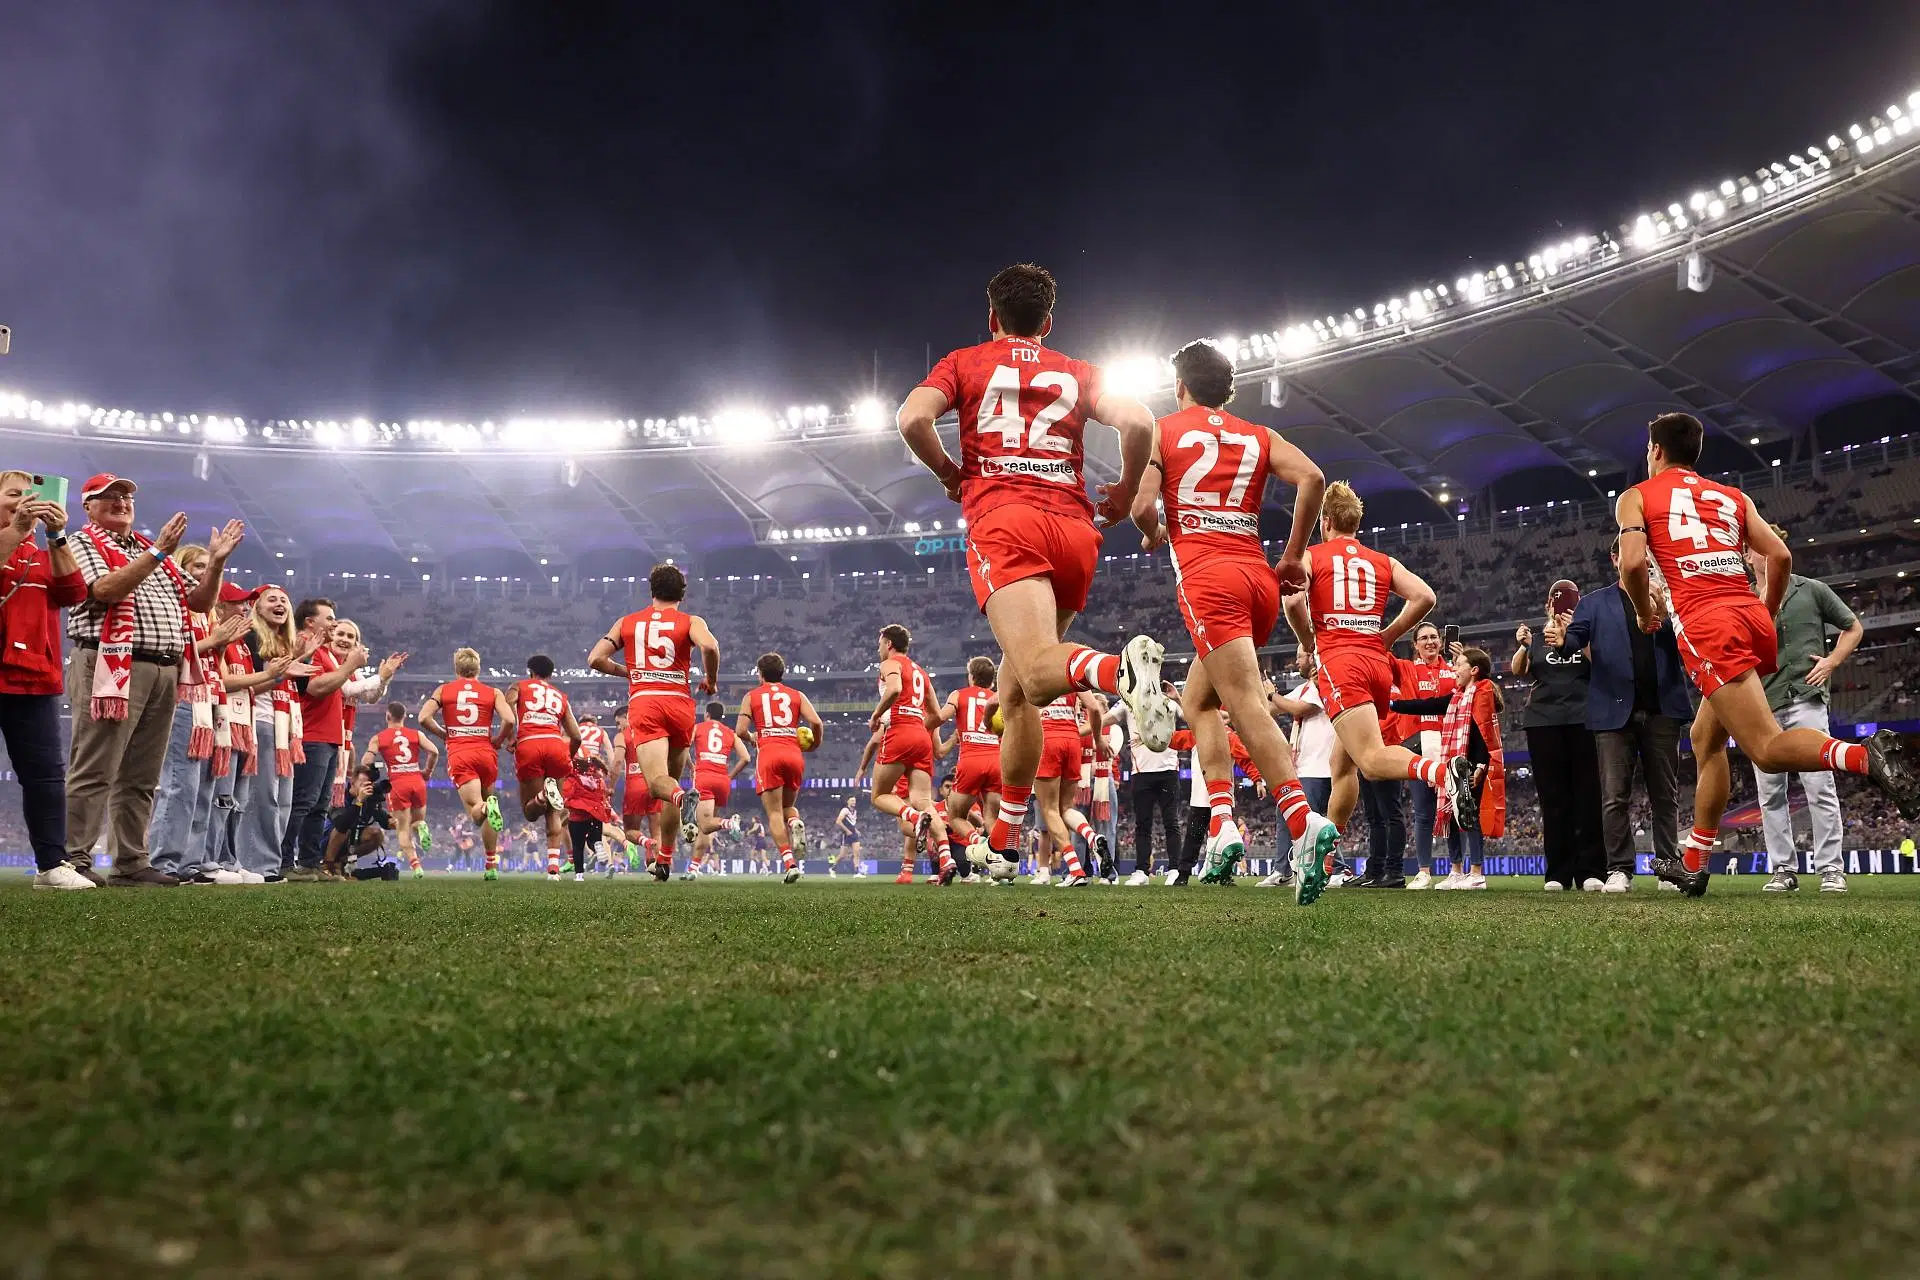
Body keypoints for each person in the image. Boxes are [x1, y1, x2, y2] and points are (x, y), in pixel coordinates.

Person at [896, 262, 1177, 875]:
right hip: (1074, 529)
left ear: (992, 318)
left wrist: (951, 474)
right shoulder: (1076, 370)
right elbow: (1137, 421)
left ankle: (1116, 669)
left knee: (1043, 677)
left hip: (1006, 519)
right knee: (1017, 687)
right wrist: (1128, 491)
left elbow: (911, 419)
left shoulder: (965, 361)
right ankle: (1003, 838)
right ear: (1048, 322)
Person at [1615, 412, 1918, 896]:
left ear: (1654, 451)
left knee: (1767, 750)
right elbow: (1780, 557)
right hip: (1748, 613)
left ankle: (1865, 756)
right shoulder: (1733, 496)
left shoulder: (1636, 496)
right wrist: (1766, 612)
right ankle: (1694, 861)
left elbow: (1632, 562)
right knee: (1704, 739)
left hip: (1705, 621)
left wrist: (1642, 613)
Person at [1130, 338, 1336, 904]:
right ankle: (1222, 827)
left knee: (1245, 703)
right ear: (1229, 390)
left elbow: (1142, 507)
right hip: (1258, 580)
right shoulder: (1258, 435)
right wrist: (1293, 556)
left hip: (1209, 578)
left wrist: (1153, 532)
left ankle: (1303, 825)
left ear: (1180, 386)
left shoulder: (1163, 431)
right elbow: (1314, 478)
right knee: (1199, 701)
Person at [64, 472, 245, 886]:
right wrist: (161, 551)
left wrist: (215, 563)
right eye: (107, 497)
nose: (121, 501)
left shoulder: (147, 550)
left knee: (142, 774)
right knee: (96, 765)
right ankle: (74, 858)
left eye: (126, 496)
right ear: (88, 506)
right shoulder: (81, 543)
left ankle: (131, 861)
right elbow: (105, 589)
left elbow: (198, 601)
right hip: (111, 663)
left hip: (165, 668)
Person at [1284, 482, 1473, 864]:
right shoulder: (1381, 560)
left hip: (1341, 662)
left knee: (1370, 759)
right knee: (1343, 763)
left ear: (1327, 522)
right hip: (1375, 662)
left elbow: (1292, 601)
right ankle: (1321, 858)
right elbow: (1426, 596)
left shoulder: (1313, 555)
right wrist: (1388, 634)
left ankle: (1442, 774)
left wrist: (1310, 640)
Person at [1548, 536, 1696, 893]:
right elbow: (1575, 638)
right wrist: (1563, 636)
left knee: (1666, 793)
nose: (1640, 560)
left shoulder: (1673, 597)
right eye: (1632, 554)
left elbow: (1689, 643)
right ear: (1616, 558)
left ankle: (1669, 866)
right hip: (1613, 710)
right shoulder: (1593, 603)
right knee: (1615, 795)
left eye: (1647, 555)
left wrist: (1667, 614)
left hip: (1662, 708)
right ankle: (1619, 868)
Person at [1746, 528, 1863, 894]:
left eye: (1766, 546)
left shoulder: (1811, 589)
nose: (1759, 553)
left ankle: (1831, 869)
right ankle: (1783, 869)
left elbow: (1853, 627)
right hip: (1761, 706)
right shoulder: (1743, 599)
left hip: (1805, 697)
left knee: (1819, 785)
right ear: (1748, 557)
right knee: (1770, 793)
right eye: (1754, 548)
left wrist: (1831, 662)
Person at [589, 563, 720, 876]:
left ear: (651, 591)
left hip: (646, 703)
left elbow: (595, 658)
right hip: (680, 705)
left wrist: (627, 672)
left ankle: (680, 797)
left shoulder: (628, 622)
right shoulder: (691, 620)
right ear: (682, 595)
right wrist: (711, 681)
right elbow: (711, 646)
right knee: (671, 781)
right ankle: (664, 860)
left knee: (660, 786)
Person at [0, 471, 89, 889]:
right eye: (13, 495)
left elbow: (74, 594)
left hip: (32, 677)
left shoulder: (41, 553)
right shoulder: (14, 540)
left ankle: (52, 865)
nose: (23, 502)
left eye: (29, 496)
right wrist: (15, 531)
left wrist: (56, 535)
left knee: (45, 775)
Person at [147, 543, 252, 883]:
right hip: (181, 698)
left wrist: (218, 642)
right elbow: (167, 651)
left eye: (209, 568)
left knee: (204, 787)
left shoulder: (206, 615)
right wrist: (213, 641)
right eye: (198, 567)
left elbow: (215, 668)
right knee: (181, 783)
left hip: (208, 701)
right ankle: (165, 861)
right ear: (181, 568)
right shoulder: (174, 604)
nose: (204, 574)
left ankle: (190, 861)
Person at [1512, 586, 1606, 891]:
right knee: (1553, 800)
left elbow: (1601, 666)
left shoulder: (1586, 636)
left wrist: (1575, 634)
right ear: (1546, 606)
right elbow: (1518, 670)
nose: (1558, 605)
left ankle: (1591, 870)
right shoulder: (1536, 640)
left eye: (1567, 601)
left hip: (1583, 719)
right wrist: (1524, 645)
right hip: (1543, 722)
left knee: (1587, 796)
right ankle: (1558, 873)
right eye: (1554, 599)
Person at [1393, 646, 1507, 890]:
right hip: (1455, 765)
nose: (1454, 669)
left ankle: (1476, 872)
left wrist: (1480, 765)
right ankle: (1456, 870)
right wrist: (1393, 705)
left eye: (1460, 664)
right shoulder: (1458, 697)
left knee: (1470, 815)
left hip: (1472, 767)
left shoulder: (1482, 693)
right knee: (1454, 815)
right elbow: (1428, 705)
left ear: (1474, 670)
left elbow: (1484, 735)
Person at [280, 598, 364, 878]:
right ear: (310, 622)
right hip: (312, 735)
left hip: (330, 738)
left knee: (319, 806)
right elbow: (315, 688)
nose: (335, 623)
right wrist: (348, 667)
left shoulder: (327, 655)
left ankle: (308, 861)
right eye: (329, 618)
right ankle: (284, 860)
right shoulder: (312, 651)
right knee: (303, 801)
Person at [867, 624, 955, 883]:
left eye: (880, 643)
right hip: (921, 736)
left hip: (899, 731)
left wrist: (875, 714)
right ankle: (947, 858)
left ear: (889, 644)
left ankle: (914, 817)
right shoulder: (921, 672)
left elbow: (893, 689)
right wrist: (918, 730)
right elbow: (937, 716)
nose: (878, 648)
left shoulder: (890, 664)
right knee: (926, 801)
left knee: (879, 795)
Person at [419, 647, 516, 880]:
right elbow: (510, 719)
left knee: (476, 811)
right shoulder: (492, 692)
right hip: (486, 752)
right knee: (489, 807)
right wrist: (499, 740)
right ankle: (491, 865)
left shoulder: (444, 690)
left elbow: (423, 717)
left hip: (461, 752)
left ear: (456, 668)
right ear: (478, 668)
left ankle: (485, 806)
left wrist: (444, 734)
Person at [736, 651, 824, 883]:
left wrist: (753, 737)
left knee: (774, 813)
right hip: (794, 753)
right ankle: (795, 822)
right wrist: (814, 745)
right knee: (788, 809)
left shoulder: (752, 696)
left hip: (769, 753)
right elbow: (816, 722)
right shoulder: (796, 695)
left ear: (760, 674)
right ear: (782, 673)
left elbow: (740, 730)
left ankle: (790, 863)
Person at [1382, 623, 1453, 887]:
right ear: (1415, 644)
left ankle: (1458, 870)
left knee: (1454, 810)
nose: (1429, 642)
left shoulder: (1454, 670)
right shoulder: (1407, 669)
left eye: (1434, 637)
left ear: (1441, 641)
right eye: (1423, 638)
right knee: (1423, 812)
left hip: (1450, 746)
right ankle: (1424, 872)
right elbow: (1382, 650)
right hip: (1417, 747)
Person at [1259, 655, 1333, 888]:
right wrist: (1260, 691)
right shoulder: (1304, 687)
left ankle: (1338, 869)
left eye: (1300, 657)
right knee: (1284, 816)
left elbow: (1301, 709)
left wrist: (1272, 694)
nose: (1295, 662)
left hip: (1318, 765)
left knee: (1313, 820)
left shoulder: (1322, 683)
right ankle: (1283, 871)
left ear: (1312, 659)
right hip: (1300, 766)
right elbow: (1271, 710)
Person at [509, 655, 583, 880]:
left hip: (530, 742)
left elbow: (509, 706)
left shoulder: (518, 686)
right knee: (555, 810)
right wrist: (566, 759)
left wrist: (513, 733)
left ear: (529, 670)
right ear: (551, 675)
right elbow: (577, 737)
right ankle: (553, 869)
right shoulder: (561, 696)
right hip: (556, 745)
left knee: (530, 812)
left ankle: (541, 796)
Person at [1104, 681, 1180, 883]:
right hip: (1141, 772)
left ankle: (1174, 869)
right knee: (1142, 824)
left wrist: (1179, 698)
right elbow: (1105, 719)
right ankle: (1142, 871)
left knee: (1170, 822)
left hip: (1168, 769)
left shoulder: (1169, 701)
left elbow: (1193, 719)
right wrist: (1083, 729)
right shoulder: (1128, 703)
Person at [935, 655, 1003, 877]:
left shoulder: (959, 695)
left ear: (971, 677)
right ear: (992, 681)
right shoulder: (997, 698)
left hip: (971, 758)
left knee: (954, 816)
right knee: (992, 817)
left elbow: (941, 717)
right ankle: (1000, 867)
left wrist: (926, 723)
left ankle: (978, 842)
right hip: (996, 759)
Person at [366, 700, 438, 877]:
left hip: (397, 783)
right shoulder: (416, 734)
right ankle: (421, 826)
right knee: (417, 821)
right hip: (417, 780)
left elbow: (366, 761)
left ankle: (417, 867)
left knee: (403, 828)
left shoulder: (379, 737)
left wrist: (373, 771)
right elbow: (434, 751)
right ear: (404, 717)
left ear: (387, 716)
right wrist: (427, 771)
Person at [687, 699, 750, 877]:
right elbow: (746, 758)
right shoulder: (729, 732)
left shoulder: (698, 728)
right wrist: (729, 777)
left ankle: (730, 823)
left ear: (706, 714)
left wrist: (691, 767)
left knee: (706, 825)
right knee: (707, 826)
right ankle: (693, 868)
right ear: (721, 717)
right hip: (722, 780)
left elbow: (684, 749)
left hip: (704, 777)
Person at [562, 752, 618, 882]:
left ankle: (579, 875)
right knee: (594, 839)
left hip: (577, 816)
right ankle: (598, 846)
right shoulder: (598, 779)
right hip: (595, 814)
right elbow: (602, 796)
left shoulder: (573, 779)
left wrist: (565, 803)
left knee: (578, 846)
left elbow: (567, 795)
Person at [834, 795, 864, 874]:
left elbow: (852, 823)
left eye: (854, 801)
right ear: (847, 801)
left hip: (854, 834)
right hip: (846, 835)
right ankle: (832, 867)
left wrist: (856, 830)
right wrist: (847, 831)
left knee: (857, 853)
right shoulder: (845, 810)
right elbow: (838, 821)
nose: (853, 802)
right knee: (842, 855)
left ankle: (857, 872)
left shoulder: (855, 811)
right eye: (851, 800)